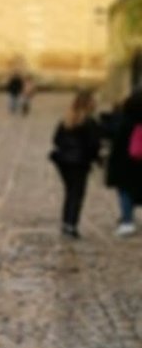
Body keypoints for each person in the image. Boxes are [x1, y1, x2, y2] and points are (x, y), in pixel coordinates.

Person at [49, 90, 102, 238]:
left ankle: (66, 222)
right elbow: (93, 144)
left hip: (63, 161)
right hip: (79, 162)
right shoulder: (90, 122)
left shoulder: (67, 120)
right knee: (77, 194)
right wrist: (96, 159)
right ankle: (71, 225)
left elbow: (56, 139)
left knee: (69, 192)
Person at [104, 88, 142, 236]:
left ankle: (127, 221)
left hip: (125, 163)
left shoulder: (124, 122)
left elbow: (115, 141)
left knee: (125, 191)